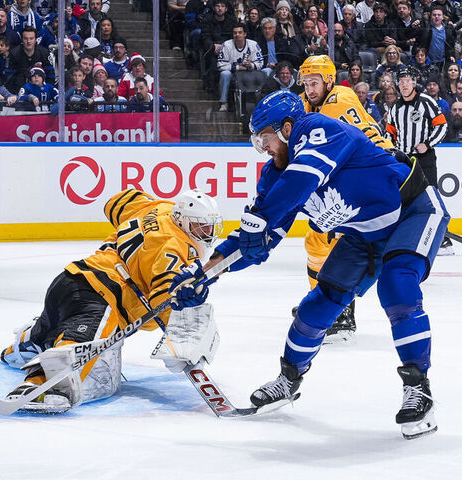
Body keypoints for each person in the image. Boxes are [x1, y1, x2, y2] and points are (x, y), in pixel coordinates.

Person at [172, 90, 449, 440]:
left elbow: (302, 180)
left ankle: (418, 389)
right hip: (363, 235)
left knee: (396, 284)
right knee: (317, 305)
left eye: (265, 139)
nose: (264, 149)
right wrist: (203, 276)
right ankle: (288, 380)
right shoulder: (275, 177)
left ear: (287, 128)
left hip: (413, 210)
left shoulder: (319, 129)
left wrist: (261, 218)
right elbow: (254, 240)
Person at [0, 189, 223, 414]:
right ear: (181, 221)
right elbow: (164, 298)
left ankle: (25, 343)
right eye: (200, 226)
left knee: (52, 326)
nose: (206, 233)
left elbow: (118, 202)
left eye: (209, 227)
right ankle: (39, 385)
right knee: (80, 344)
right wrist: (181, 346)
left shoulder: (158, 208)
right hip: (101, 296)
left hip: (70, 279)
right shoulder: (174, 247)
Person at [296, 55, 394, 342]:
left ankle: (337, 312)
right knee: (317, 240)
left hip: (374, 174)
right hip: (362, 173)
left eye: (314, 83)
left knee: (331, 242)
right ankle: (323, 303)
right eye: (305, 83)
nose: (309, 89)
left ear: (329, 81)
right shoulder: (318, 99)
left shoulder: (338, 100)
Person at [386, 67, 452, 255]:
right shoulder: (395, 107)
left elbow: (442, 125)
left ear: (414, 82)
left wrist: (427, 144)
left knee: (430, 197)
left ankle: (443, 240)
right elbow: (389, 133)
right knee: (403, 198)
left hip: (424, 158)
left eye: (407, 80)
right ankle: (406, 237)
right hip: (404, 160)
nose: (404, 84)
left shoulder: (426, 102)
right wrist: (390, 151)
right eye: (401, 81)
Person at [217, 23, 263, 112]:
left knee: (264, 73)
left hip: (250, 72)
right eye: (235, 33)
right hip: (233, 73)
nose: (237, 35)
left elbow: (260, 63)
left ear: (244, 34)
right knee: (224, 74)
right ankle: (224, 102)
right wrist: (237, 67)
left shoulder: (253, 44)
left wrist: (252, 65)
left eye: (239, 32)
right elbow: (220, 64)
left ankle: (259, 102)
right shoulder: (226, 45)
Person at [5, 26, 54, 93]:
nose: (28, 41)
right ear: (22, 39)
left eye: (31, 38)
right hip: (19, 91)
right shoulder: (14, 54)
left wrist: (47, 91)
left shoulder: (44, 53)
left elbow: (50, 76)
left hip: (41, 91)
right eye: (25, 38)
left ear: (36, 39)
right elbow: (9, 78)